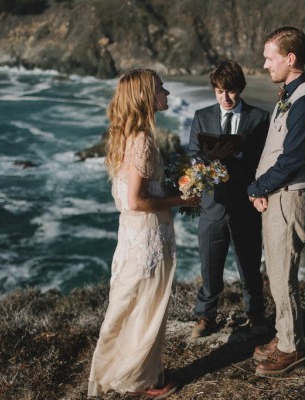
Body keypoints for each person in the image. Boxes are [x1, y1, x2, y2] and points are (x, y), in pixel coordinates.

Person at [88, 69, 199, 398]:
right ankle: (142, 382)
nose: (167, 94)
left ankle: (140, 373)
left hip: (133, 235)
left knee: (134, 305)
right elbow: (136, 199)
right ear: (145, 97)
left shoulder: (127, 135)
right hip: (147, 237)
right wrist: (183, 198)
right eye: (161, 89)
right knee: (147, 308)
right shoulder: (142, 143)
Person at [247, 26, 305, 377]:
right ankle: (283, 338)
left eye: (270, 57)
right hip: (278, 196)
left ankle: (291, 348)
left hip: (289, 198)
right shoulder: (291, 93)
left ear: (290, 58)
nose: (265, 64)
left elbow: (293, 158)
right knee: (277, 273)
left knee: (282, 276)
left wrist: (257, 186)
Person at [187, 60, 270, 338]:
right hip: (213, 205)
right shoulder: (201, 116)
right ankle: (205, 317)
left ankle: (256, 314)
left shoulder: (259, 117)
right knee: (210, 266)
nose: (225, 97)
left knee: (249, 265)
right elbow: (193, 155)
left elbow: (265, 160)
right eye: (220, 91)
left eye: (231, 91)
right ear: (213, 90)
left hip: (246, 204)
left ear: (241, 89)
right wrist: (208, 160)